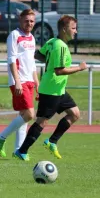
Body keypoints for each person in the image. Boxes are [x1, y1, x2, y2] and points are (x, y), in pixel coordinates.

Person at [14, 15, 87, 161]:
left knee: (75, 114)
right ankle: (22, 151)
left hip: (58, 89)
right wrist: (79, 68)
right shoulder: (60, 46)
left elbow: (38, 55)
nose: (75, 31)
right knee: (42, 121)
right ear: (64, 29)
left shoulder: (52, 42)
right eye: (73, 28)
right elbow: (59, 70)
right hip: (51, 90)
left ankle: (52, 141)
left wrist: (49, 59)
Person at [0, 9, 39, 158]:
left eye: (32, 21)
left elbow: (31, 64)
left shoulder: (32, 38)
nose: (29, 24)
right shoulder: (14, 35)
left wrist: (37, 83)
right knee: (30, 114)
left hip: (30, 80)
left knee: (23, 114)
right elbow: (11, 59)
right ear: (20, 20)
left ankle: (18, 150)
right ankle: (1, 137)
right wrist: (17, 81)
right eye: (26, 21)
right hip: (19, 80)